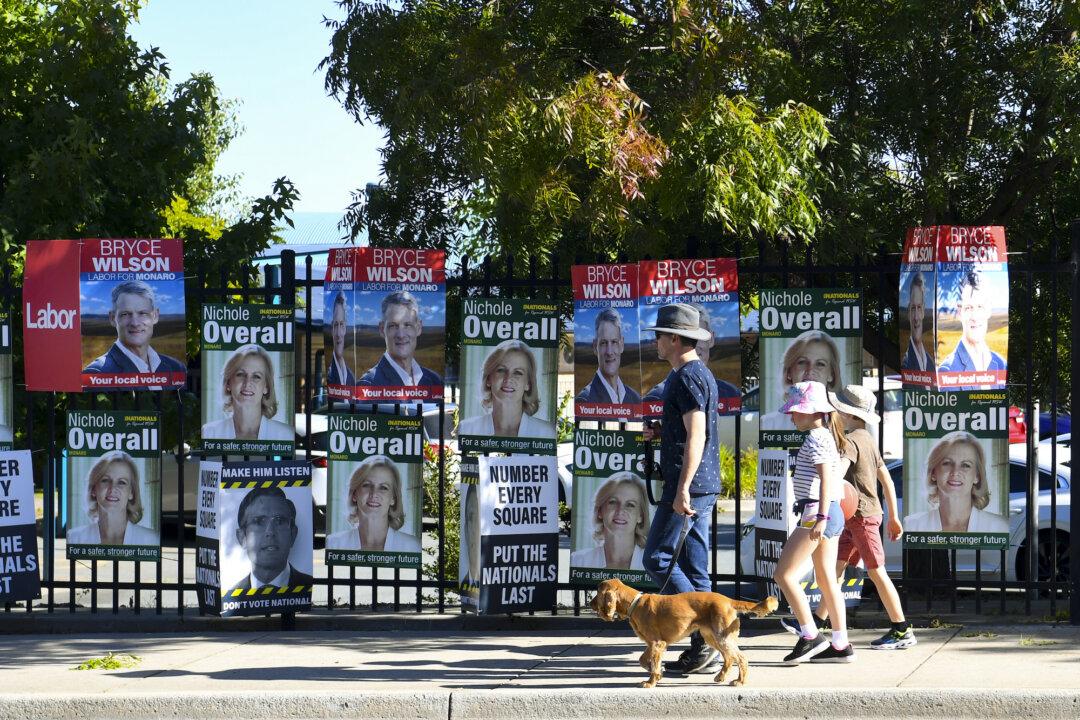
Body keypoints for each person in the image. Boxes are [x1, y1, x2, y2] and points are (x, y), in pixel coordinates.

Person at [789, 385, 916, 650]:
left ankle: (901, 629)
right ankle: (820, 621)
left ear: (845, 412)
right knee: (833, 569)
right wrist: (893, 515)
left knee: (876, 571)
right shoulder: (868, 438)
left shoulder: (850, 442)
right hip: (864, 515)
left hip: (861, 517)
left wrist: (824, 497)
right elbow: (887, 478)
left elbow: (835, 474)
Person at [639, 303, 722, 675]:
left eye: (659, 335)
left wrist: (683, 488)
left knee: (656, 557)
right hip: (701, 484)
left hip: (689, 486)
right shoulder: (695, 374)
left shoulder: (687, 376)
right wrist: (661, 432)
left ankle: (702, 630)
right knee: (694, 566)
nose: (655, 341)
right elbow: (689, 430)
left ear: (674, 338)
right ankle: (710, 642)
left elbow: (698, 433)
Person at [771, 380, 853, 663]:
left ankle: (810, 635)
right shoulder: (826, 435)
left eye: (796, 411)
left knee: (783, 575)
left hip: (817, 512)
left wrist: (819, 517)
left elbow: (826, 477)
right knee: (827, 579)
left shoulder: (816, 438)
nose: (792, 416)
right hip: (829, 510)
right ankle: (841, 643)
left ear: (813, 412)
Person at [641, 302, 740, 411]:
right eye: (689, 337)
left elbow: (696, 428)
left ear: (711, 339)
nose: (695, 345)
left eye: (697, 336)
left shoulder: (729, 392)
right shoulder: (657, 396)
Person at [903, 431, 1008, 534]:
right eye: (947, 463)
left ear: (977, 476)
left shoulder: (1000, 527)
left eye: (966, 465)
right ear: (933, 472)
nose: (955, 472)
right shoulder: (911, 525)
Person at [83, 280, 185, 375]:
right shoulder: (98, 372)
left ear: (155, 316)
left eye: (143, 313)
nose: (135, 323)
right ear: (113, 318)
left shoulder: (176, 368)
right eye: (126, 314)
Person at [224, 486, 313, 596]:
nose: (270, 532)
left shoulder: (306, 586)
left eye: (279, 521)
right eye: (259, 521)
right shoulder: (233, 594)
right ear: (242, 537)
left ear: (293, 534)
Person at [458, 339, 555, 438]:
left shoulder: (547, 432)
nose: (508, 378)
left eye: (518, 372)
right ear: (488, 379)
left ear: (528, 384)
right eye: (501, 370)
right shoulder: (467, 429)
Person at [325, 455, 421, 552]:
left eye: (383, 487)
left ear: (393, 498)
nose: (374, 494)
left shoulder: (412, 546)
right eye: (366, 485)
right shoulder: (334, 543)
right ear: (354, 494)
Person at [201, 344, 293, 442]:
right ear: (228, 383)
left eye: (256, 376)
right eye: (240, 374)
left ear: (266, 387)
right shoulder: (208, 432)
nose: (248, 383)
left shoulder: (286, 434)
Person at [759, 330, 844, 432]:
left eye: (820, 364)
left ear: (831, 374)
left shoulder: (843, 423)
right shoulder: (768, 423)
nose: (810, 370)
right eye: (802, 362)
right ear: (789, 371)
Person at [67, 451, 158, 546]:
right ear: (94, 489)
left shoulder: (151, 539)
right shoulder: (74, 538)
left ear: (131, 492)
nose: (113, 488)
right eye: (105, 480)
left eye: (122, 482)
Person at [358, 291, 443, 388]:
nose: (401, 335)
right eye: (393, 326)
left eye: (407, 325)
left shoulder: (435, 381)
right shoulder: (369, 385)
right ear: (382, 330)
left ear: (419, 328)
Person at [937, 270, 1006, 388]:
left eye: (980, 307)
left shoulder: (1001, 364)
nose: (975, 317)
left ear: (989, 309)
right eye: (968, 308)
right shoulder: (948, 371)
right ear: (959, 312)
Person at [570, 473, 649, 570]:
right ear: (600, 511)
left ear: (640, 516)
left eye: (630, 505)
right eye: (613, 502)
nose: (620, 511)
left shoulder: (653, 565)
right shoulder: (578, 561)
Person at [575, 307, 642, 405]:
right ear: (595, 347)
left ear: (622, 345)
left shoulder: (635, 398)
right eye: (603, 343)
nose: (609, 352)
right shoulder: (585, 401)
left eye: (614, 342)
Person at [902, 272, 932, 372]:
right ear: (908, 313)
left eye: (918, 308)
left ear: (923, 311)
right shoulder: (906, 363)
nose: (916, 318)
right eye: (913, 308)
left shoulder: (930, 363)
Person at [327, 291, 356, 386]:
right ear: (331, 329)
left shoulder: (351, 377)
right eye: (336, 325)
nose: (338, 334)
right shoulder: (328, 375)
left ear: (345, 328)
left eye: (341, 325)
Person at [458, 483, 481, 596]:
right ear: (465, 529)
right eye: (471, 518)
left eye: (480, 517)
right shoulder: (465, 585)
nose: (476, 527)